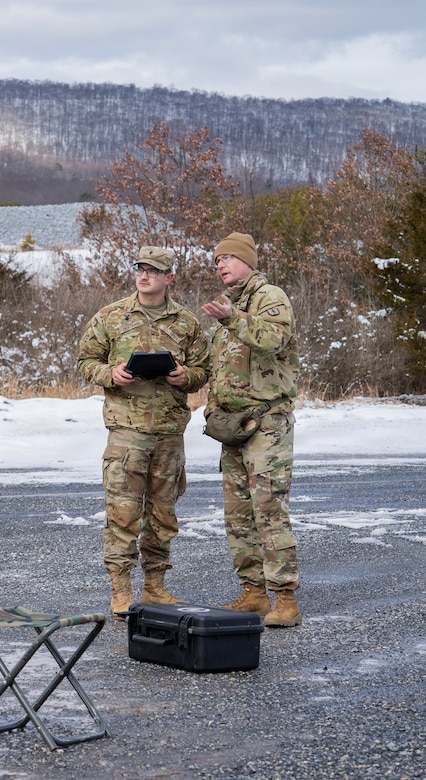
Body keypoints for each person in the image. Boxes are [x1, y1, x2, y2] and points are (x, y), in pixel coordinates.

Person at [78, 246, 209, 620]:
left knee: (164, 515)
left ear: (169, 278)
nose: (145, 275)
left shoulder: (186, 323)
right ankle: (121, 590)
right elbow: (86, 361)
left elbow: (203, 368)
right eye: (140, 268)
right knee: (123, 514)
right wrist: (110, 374)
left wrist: (186, 376)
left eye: (153, 270)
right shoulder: (111, 316)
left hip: (169, 432)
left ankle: (155, 586)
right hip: (127, 432)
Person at [201, 232, 302, 627]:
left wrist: (234, 319)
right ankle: (254, 593)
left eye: (227, 258)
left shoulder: (270, 298)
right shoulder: (229, 307)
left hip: (266, 423)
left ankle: (285, 599)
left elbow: (275, 339)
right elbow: (219, 369)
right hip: (233, 426)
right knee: (238, 515)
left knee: (269, 510)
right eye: (216, 260)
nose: (220, 265)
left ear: (247, 261)